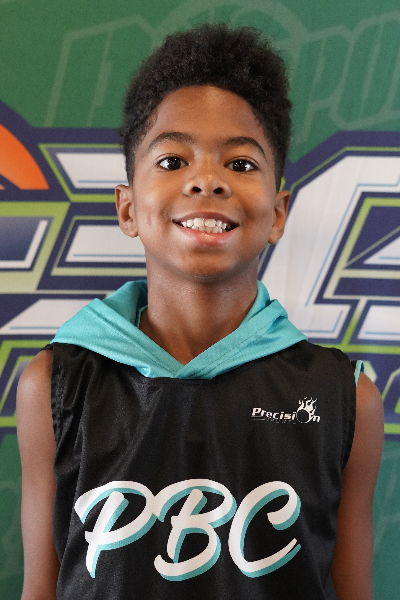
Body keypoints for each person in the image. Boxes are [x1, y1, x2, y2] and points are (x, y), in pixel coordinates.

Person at [17, 23, 383, 600]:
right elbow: (40, 587)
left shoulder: (346, 400)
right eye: (172, 161)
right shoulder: (55, 386)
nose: (207, 180)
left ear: (278, 213)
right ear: (127, 208)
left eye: (240, 164)